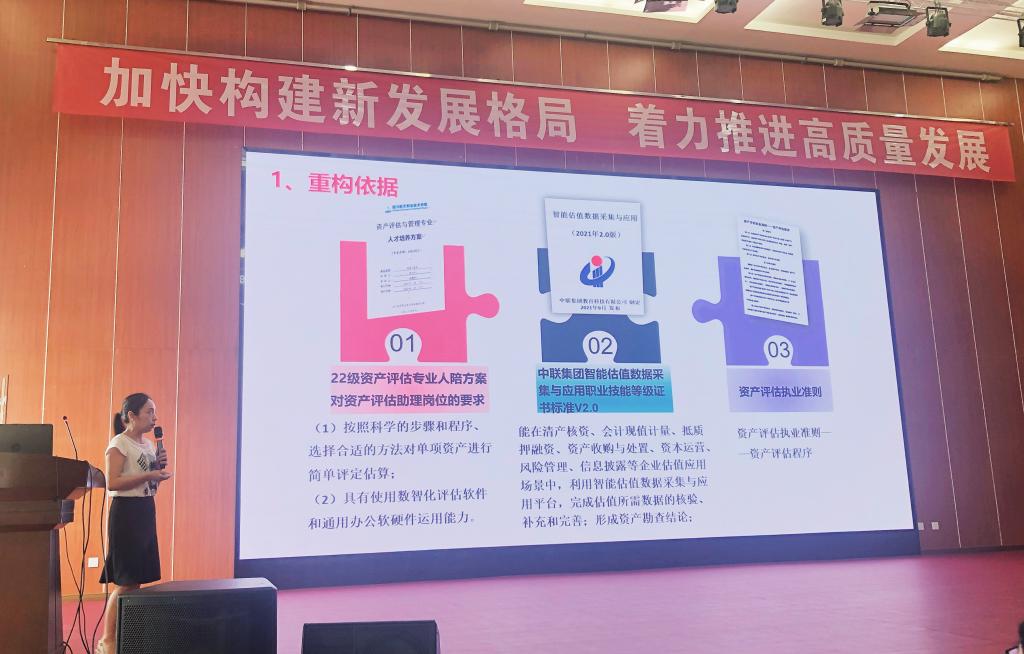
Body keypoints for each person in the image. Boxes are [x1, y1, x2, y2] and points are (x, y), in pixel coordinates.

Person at [96, 392, 172, 654]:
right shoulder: (119, 443)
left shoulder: (149, 445)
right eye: (149, 411)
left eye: (155, 412)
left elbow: (150, 486)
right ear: (131, 415)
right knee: (126, 582)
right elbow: (113, 482)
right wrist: (150, 474)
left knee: (136, 580)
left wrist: (157, 474)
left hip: (145, 511)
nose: (154, 417)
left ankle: (125, 637)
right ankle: (107, 640)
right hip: (126, 514)